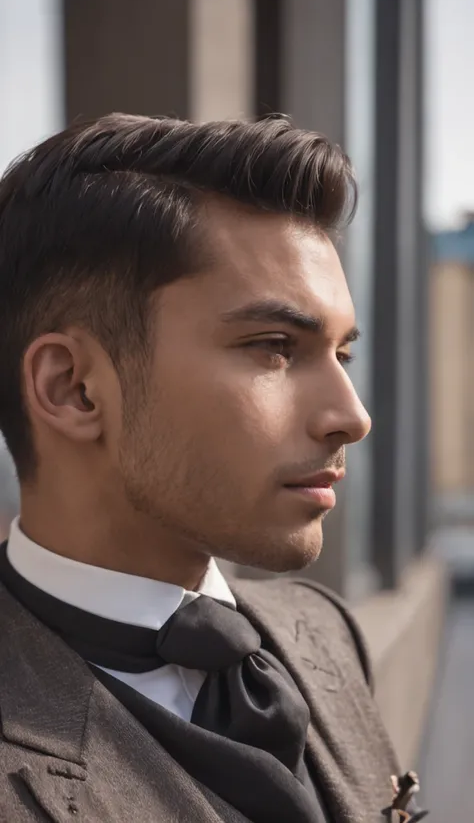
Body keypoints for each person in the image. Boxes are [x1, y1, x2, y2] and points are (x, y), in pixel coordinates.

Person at [0, 114, 425, 823]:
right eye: (273, 347)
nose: (351, 416)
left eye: (342, 354)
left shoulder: (320, 630)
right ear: (74, 388)